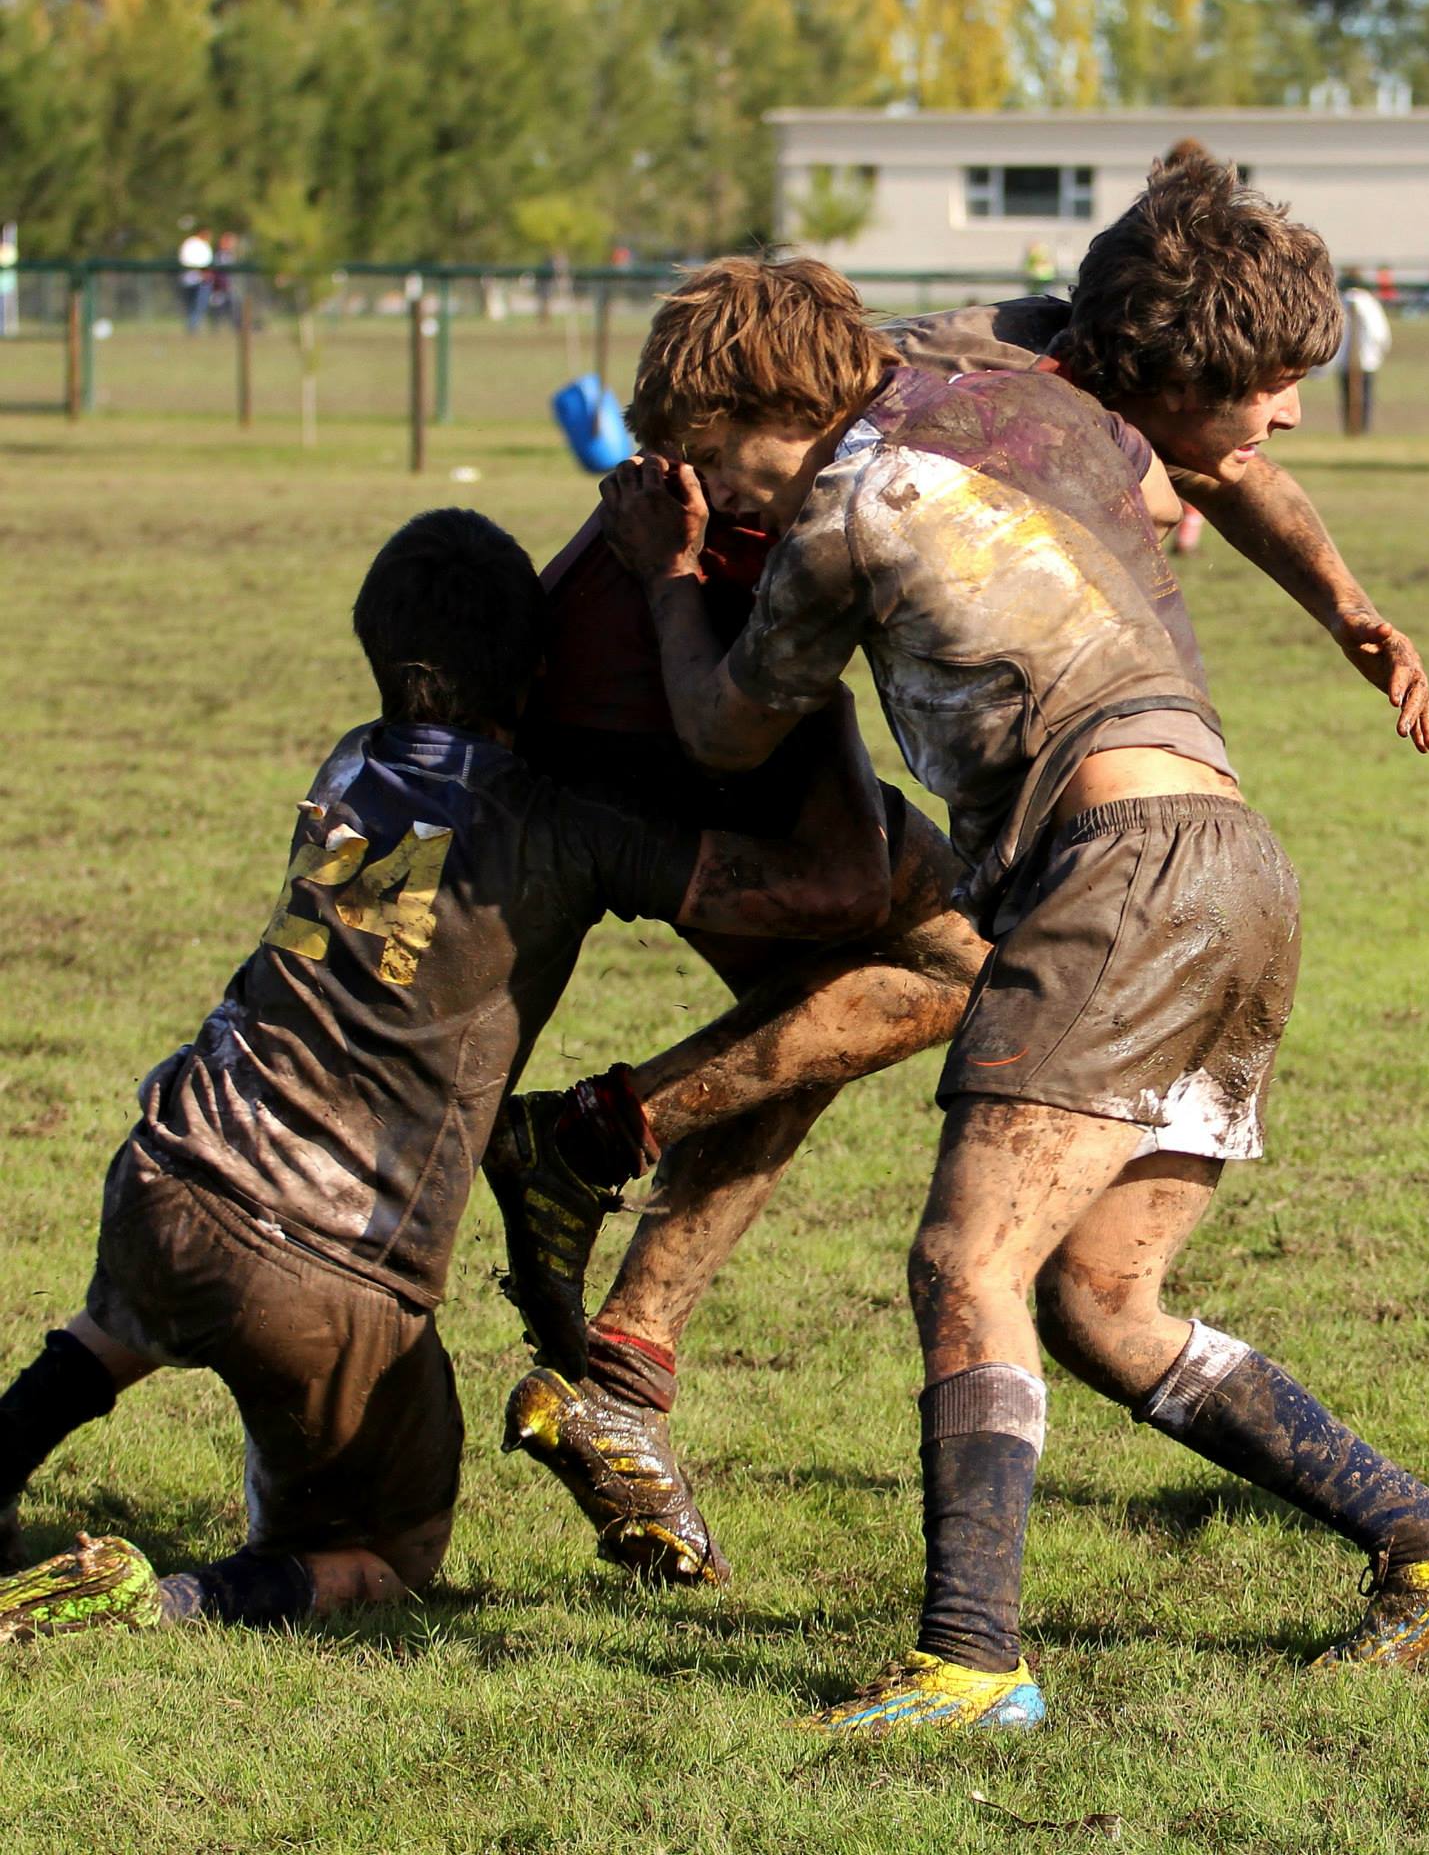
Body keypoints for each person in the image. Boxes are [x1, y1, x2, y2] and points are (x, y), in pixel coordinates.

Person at [589, 172, 1429, 1729]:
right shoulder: (1031, 382)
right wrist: (1344, 607)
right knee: (1100, 1300)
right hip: (1234, 870)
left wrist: (668, 575)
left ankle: (969, 1664)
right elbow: (1217, 467)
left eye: (709, 465)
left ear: (761, 411)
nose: (712, 497)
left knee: (965, 1264)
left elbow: (721, 723)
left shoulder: (847, 502)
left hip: (1119, 875)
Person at [0, 507, 894, 1639]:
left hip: (170, 1170)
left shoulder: (353, 760)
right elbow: (838, 896)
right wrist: (820, 707)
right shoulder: (564, 829)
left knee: (135, 1314)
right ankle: (156, 1599)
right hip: (329, 1266)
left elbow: (440, 807)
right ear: (536, 669)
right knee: (391, 1553)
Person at [1330, 272, 1393, 432]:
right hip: (1356, 360)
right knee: (1356, 396)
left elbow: (1377, 332)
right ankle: (1356, 426)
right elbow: (1380, 334)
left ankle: (1357, 427)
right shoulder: (1364, 303)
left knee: (1358, 395)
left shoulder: (1360, 303)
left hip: (1360, 359)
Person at [176, 228, 213, 334]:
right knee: (193, 305)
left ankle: (193, 328)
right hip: (191, 280)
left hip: (201, 280)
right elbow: (185, 260)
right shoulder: (190, 243)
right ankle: (191, 328)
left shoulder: (205, 245)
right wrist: (201, 272)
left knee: (198, 305)